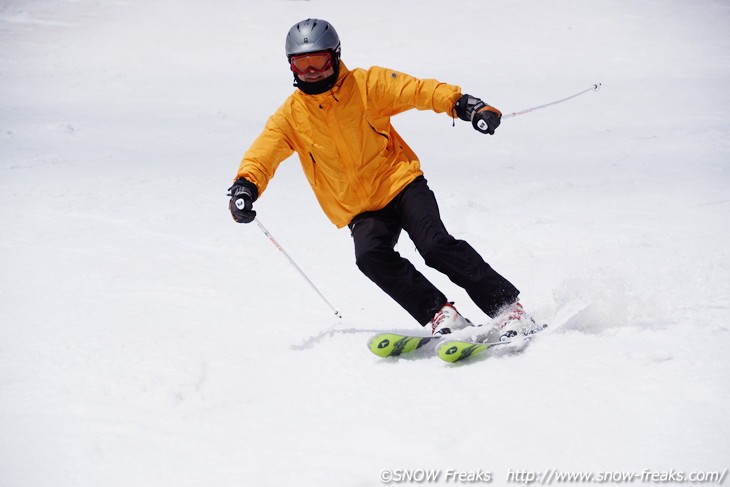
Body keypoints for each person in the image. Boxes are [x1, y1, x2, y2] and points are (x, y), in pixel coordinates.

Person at [229, 18, 541, 340]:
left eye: (317, 61)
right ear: (290, 66)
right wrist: (246, 185)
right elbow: (263, 153)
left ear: (334, 57)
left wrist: (464, 105)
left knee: (434, 246)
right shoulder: (290, 116)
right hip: (361, 208)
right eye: (301, 63)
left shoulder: (367, 85)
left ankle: (507, 309)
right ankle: (441, 314)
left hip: (401, 184)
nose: (310, 71)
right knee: (370, 257)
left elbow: (418, 91)